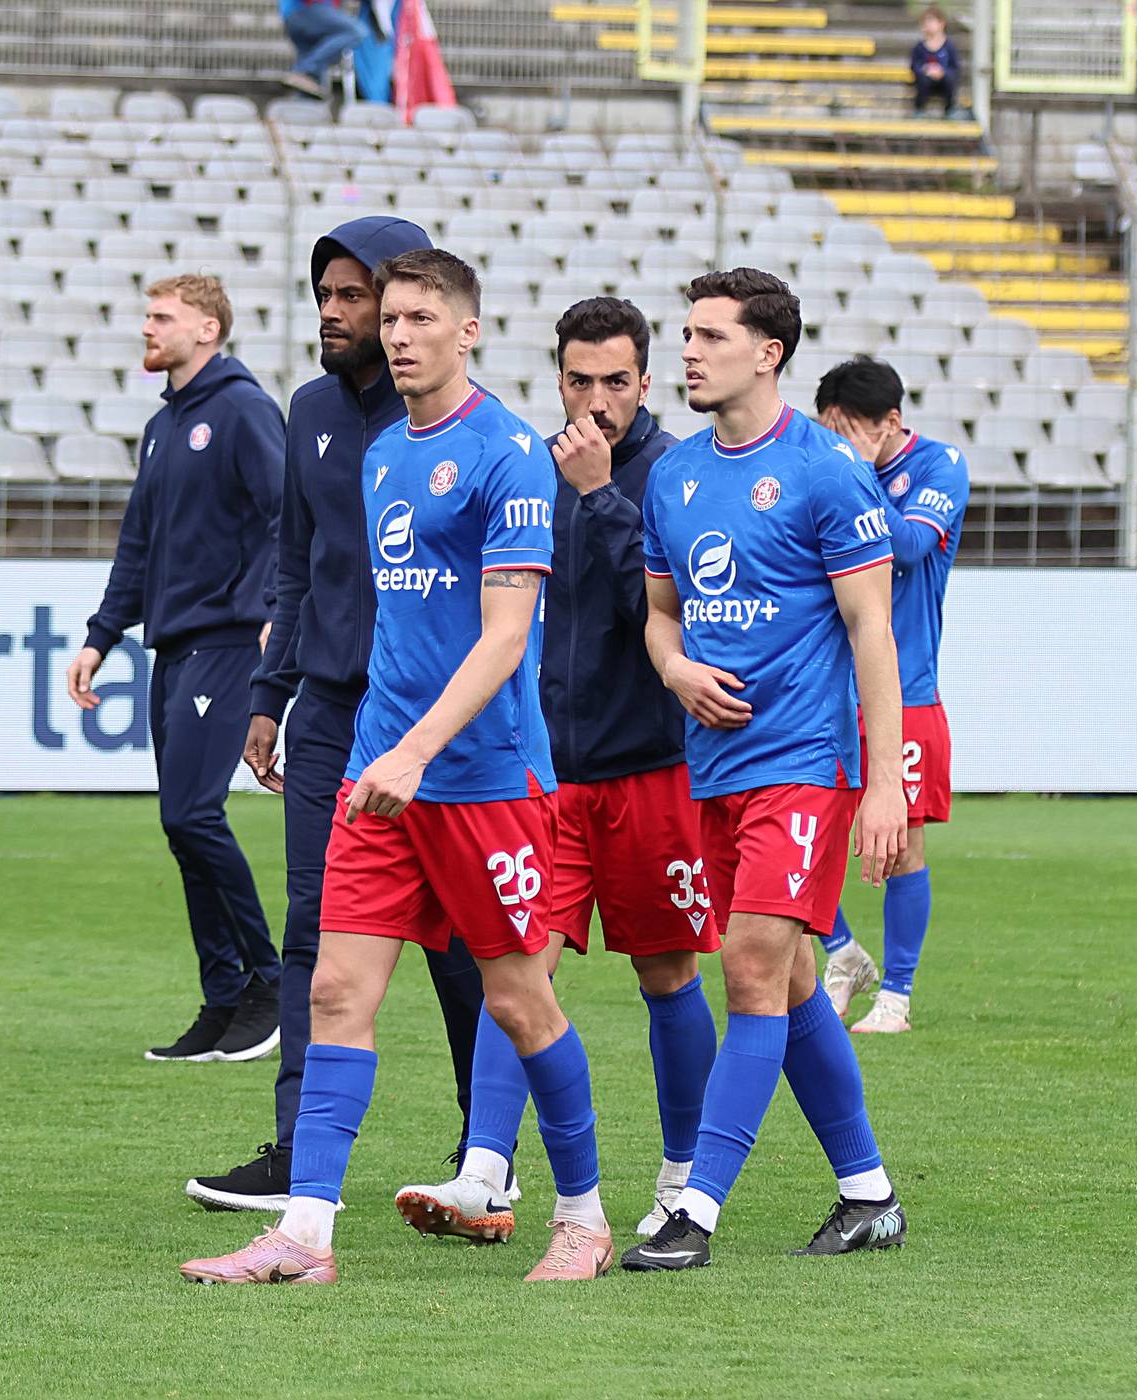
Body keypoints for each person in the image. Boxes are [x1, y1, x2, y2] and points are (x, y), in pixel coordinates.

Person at [181, 250, 614, 1286]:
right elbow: (399, 625)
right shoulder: (381, 455)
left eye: (425, 317)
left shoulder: (509, 453)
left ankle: (585, 1216)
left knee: (518, 999)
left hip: (488, 782)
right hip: (385, 773)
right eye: (396, 319)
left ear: (469, 330)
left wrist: (420, 752)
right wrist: (375, 741)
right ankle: (306, 1234)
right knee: (335, 988)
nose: (402, 334)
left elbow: (506, 635)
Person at [393, 296, 718, 1247]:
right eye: (580, 379)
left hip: (653, 769)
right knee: (516, 963)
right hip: (544, 774)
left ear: (646, 383)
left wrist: (602, 495)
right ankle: (485, 1171)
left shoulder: (673, 477)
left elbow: (663, 618)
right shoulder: (528, 469)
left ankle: (681, 1178)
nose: (597, 398)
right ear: (558, 377)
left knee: (666, 972)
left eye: (617, 380)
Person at [186, 217, 493, 1213]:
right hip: (327, 709)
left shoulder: (460, 428)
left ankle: (481, 1150)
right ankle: (294, 1149)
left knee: (456, 942)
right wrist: (270, 694)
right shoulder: (310, 408)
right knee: (311, 925)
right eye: (327, 295)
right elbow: (295, 560)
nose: (335, 312)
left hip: (429, 721)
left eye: (354, 296)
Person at [623, 268, 908, 1272]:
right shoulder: (675, 475)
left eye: (707, 336)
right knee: (788, 978)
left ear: (767, 351)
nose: (688, 352)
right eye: (685, 334)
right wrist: (675, 665)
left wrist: (885, 781)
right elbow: (660, 612)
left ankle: (693, 1208)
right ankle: (869, 1191)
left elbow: (872, 628)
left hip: (804, 764)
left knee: (746, 965)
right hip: (716, 769)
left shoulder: (829, 470)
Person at [68, 275, 285, 1065]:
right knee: (180, 826)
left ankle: (269, 985)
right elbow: (139, 543)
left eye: (161, 317)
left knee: (193, 815)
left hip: (227, 642)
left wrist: (269, 607)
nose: (147, 328)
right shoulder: (165, 427)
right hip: (175, 646)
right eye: (147, 315)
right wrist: (101, 634)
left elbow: (283, 515)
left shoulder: (243, 410)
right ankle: (223, 997)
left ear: (208, 328)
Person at [812, 358, 968, 1035]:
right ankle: (843, 952)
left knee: (901, 843)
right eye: (829, 433)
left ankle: (897, 996)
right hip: (824, 691)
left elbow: (905, 546)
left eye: (849, 433)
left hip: (905, 693)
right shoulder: (831, 467)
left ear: (890, 425)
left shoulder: (940, 466)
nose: (837, 445)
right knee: (804, 834)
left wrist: (852, 472)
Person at [278, 0, 371, 97]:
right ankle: (304, 70)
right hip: (305, 10)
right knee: (356, 31)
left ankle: (301, 99)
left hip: (299, 17)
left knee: (309, 88)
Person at [911, 6, 962, 117]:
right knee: (922, 80)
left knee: (950, 79)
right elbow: (914, 66)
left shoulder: (949, 47)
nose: (928, 25)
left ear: (941, 23)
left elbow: (955, 68)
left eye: (931, 21)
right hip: (926, 81)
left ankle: (949, 109)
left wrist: (942, 72)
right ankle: (919, 109)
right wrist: (925, 70)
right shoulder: (919, 47)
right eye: (925, 22)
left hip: (944, 82)